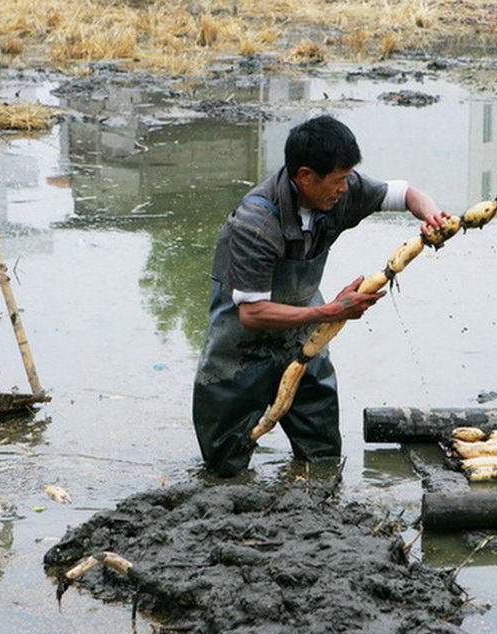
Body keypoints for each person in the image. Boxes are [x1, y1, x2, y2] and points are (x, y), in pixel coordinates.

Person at [192, 114, 447, 477]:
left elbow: (405, 194)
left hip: (305, 338)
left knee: (323, 457)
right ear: (305, 176)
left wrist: (432, 215)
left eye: (348, 177)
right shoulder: (256, 223)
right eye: (338, 180)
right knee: (225, 468)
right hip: (241, 350)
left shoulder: (340, 191)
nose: (346, 188)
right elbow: (252, 313)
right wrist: (332, 311)